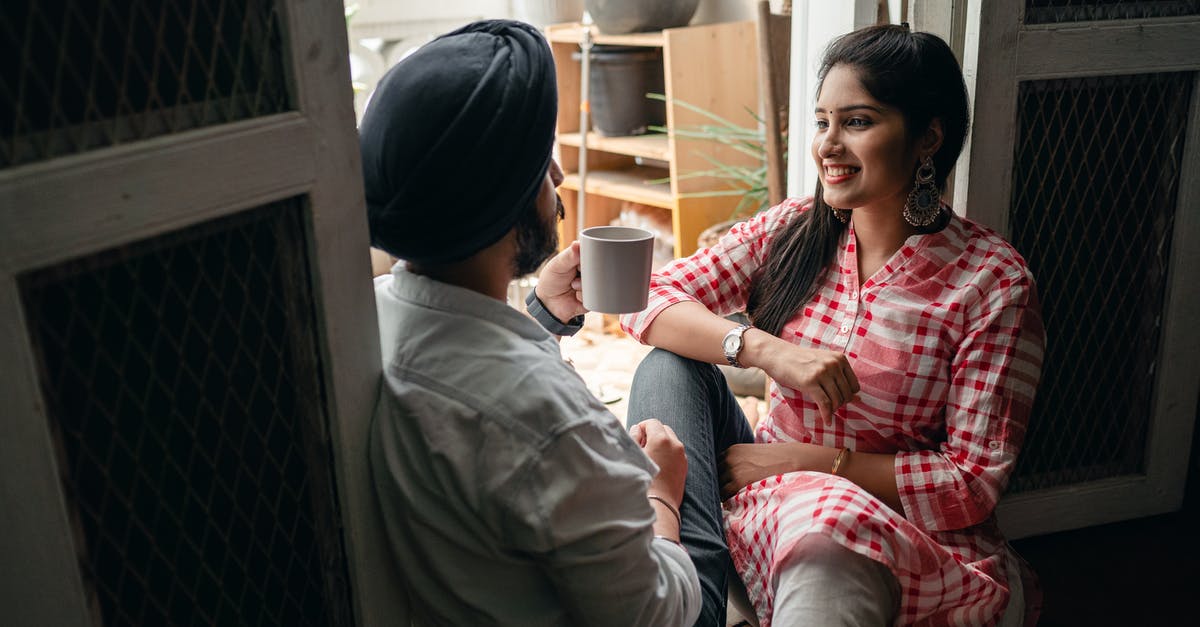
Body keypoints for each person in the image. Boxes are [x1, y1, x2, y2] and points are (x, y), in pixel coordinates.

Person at [620, 24, 1045, 627]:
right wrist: (764, 349)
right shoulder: (794, 229)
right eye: (823, 122)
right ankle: (697, 602)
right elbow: (647, 298)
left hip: (887, 536)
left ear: (928, 137)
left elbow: (970, 483)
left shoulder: (991, 282)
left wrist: (806, 461)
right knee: (668, 367)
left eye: (858, 122)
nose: (828, 145)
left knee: (828, 533)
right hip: (762, 507)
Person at [361, 20, 701, 625]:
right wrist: (663, 494)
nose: (559, 177)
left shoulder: (374, 309)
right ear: (499, 203)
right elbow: (659, 613)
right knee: (679, 380)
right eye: (540, 163)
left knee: (671, 369)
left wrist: (539, 321)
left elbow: (476, 381)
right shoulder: (551, 422)